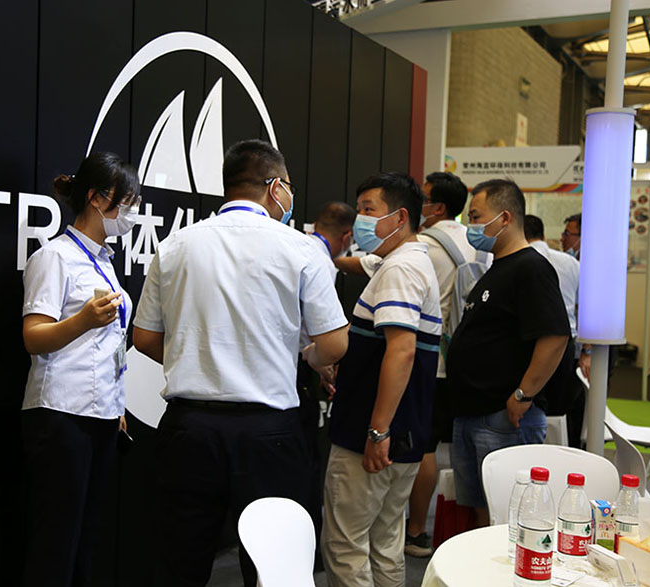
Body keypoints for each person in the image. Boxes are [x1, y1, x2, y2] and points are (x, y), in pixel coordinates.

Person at [132, 139, 349, 587]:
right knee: (274, 569)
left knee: (178, 563)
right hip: (268, 431)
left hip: (189, 428)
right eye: (288, 187)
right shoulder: (300, 248)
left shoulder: (175, 245)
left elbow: (145, 337)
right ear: (275, 187)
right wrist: (305, 357)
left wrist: (194, 358)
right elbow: (334, 342)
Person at [20, 152, 140, 587]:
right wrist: (83, 320)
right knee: (56, 538)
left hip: (102, 414)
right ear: (96, 198)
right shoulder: (54, 257)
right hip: (60, 413)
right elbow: (34, 337)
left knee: (86, 536)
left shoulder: (103, 260)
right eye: (127, 201)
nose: (132, 212)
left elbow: (108, 344)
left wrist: (116, 403)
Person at [323, 172, 441, 587]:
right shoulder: (408, 260)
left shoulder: (400, 270)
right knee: (385, 540)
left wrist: (377, 430)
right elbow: (363, 263)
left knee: (346, 545)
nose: (360, 220)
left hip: (372, 434)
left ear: (400, 217)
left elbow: (402, 350)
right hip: (404, 431)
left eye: (369, 210)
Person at [447, 179, 569, 528]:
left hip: (504, 416)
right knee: (481, 507)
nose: (471, 226)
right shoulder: (497, 268)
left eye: (476, 217)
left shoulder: (530, 267)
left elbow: (554, 336)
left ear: (504, 218)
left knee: (510, 516)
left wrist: (523, 394)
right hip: (472, 411)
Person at [404, 171, 476, 558]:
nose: (421, 203)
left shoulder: (426, 246)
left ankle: (416, 530)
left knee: (424, 446)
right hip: (461, 361)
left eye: (426, 197)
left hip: (430, 359)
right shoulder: (474, 242)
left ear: (438, 207)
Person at [298, 201, 356, 568]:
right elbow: (329, 338)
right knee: (306, 465)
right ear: (347, 236)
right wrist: (322, 362)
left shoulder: (299, 248)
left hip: (299, 364)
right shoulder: (318, 261)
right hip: (299, 369)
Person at [524, 214, 583, 447]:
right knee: (558, 411)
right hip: (566, 345)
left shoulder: (518, 260)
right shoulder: (570, 263)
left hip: (529, 343)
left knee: (528, 405)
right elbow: (582, 306)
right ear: (543, 234)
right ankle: (558, 454)